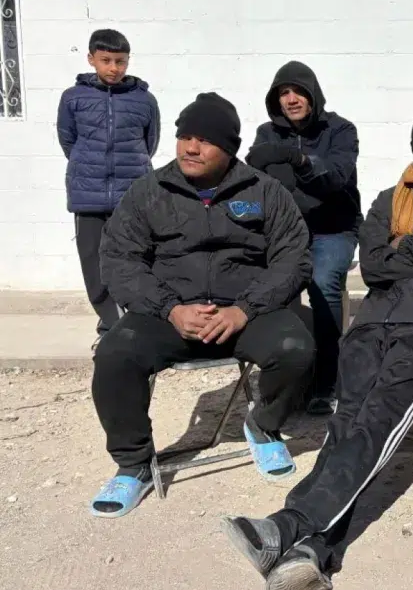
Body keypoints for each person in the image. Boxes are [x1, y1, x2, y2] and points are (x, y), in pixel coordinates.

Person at [220, 106, 413, 587]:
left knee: (377, 419)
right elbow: (373, 267)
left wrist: (408, 248)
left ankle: (286, 526)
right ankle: (312, 552)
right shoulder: (388, 199)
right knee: (347, 422)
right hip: (375, 323)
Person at [88, 93, 316, 519]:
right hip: (168, 315)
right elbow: (119, 259)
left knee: (297, 347)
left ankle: (263, 426)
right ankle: (133, 464)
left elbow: (293, 257)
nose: (191, 148)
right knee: (116, 355)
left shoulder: (265, 192)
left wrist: (245, 309)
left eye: (205, 140)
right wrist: (170, 308)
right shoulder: (148, 191)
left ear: (229, 148)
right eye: (185, 137)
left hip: (246, 313)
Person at [246, 61, 362, 416]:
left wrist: (299, 159)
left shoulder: (340, 130)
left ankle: (327, 382)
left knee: (324, 283)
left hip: (333, 228)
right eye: (284, 93)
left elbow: (336, 178)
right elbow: (254, 182)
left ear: (313, 95)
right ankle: (286, 379)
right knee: (267, 288)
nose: (292, 99)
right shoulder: (267, 133)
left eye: (298, 91)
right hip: (284, 232)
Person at [57, 28, 160, 345]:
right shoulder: (73, 98)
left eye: (121, 61)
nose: (114, 68)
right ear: (91, 59)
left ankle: (138, 321)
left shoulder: (144, 99)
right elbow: (68, 141)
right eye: (106, 60)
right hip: (88, 197)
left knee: (137, 260)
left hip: (132, 197)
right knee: (94, 263)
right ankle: (112, 325)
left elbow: (150, 143)